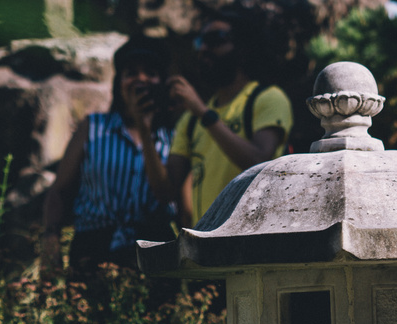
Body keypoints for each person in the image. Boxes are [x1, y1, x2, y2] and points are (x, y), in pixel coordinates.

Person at [140, 4, 293, 226]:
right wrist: (144, 131)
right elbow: (166, 193)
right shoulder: (190, 120)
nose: (203, 49)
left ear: (242, 50)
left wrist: (203, 112)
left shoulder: (268, 99)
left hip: (254, 243)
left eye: (215, 40)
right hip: (207, 250)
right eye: (200, 41)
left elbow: (260, 162)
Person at [42, 38, 176, 273]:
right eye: (131, 73)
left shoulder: (175, 136)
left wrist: (145, 129)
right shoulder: (92, 127)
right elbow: (59, 191)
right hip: (93, 247)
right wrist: (51, 236)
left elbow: (167, 196)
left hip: (155, 249)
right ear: (118, 82)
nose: (141, 79)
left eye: (151, 73)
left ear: (162, 82)